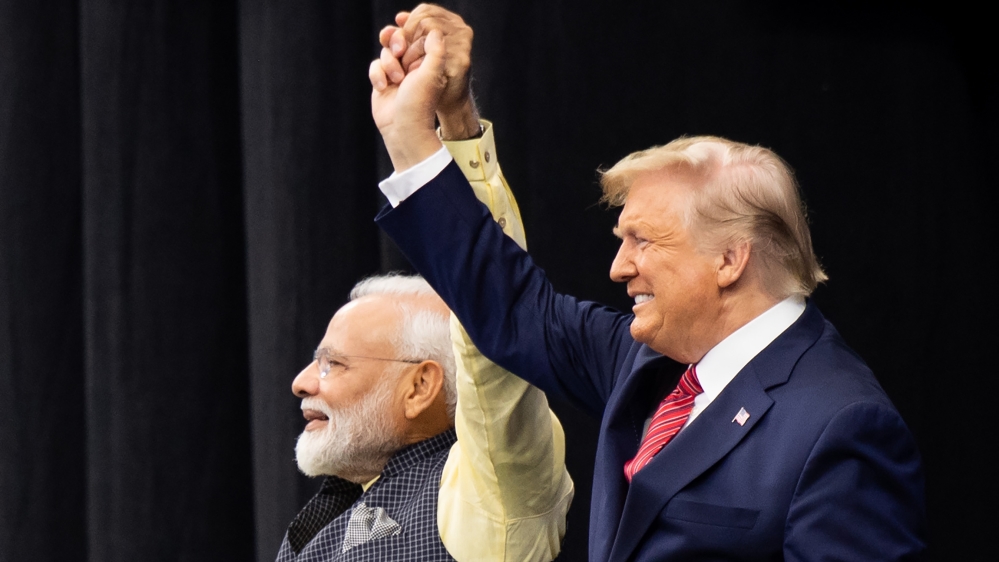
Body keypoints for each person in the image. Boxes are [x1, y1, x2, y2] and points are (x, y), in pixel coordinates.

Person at [368, 5, 927, 561]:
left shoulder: (842, 424)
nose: (618, 267)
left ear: (730, 259)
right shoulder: (649, 364)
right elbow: (510, 304)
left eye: (643, 241)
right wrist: (429, 130)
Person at [278, 22, 573, 555]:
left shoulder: (491, 493)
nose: (301, 383)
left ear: (421, 387)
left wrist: (442, 129)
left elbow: (498, 324)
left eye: (332, 364)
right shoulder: (332, 514)